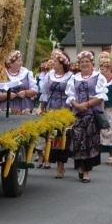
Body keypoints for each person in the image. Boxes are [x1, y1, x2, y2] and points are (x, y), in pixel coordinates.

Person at [65, 51, 107, 182]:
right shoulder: (74, 78)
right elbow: (70, 95)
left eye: (87, 61)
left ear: (91, 63)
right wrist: (77, 105)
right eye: (82, 62)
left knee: (89, 143)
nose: (84, 64)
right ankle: (80, 167)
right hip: (77, 114)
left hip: (92, 115)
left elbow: (101, 95)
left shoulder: (98, 77)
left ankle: (87, 172)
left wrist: (87, 104)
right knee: (77, 142)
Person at [39, 50, 73, 178]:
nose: (53, 63)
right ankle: (49, 159)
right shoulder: (49, 75)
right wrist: (42, 108)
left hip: (64, 109)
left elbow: (71, 94)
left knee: (62, 137)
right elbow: (45, 93)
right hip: (51, 108)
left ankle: (61, 166)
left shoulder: (70, 76)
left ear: (62, 64)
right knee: (50, 137)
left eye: (56, 62)